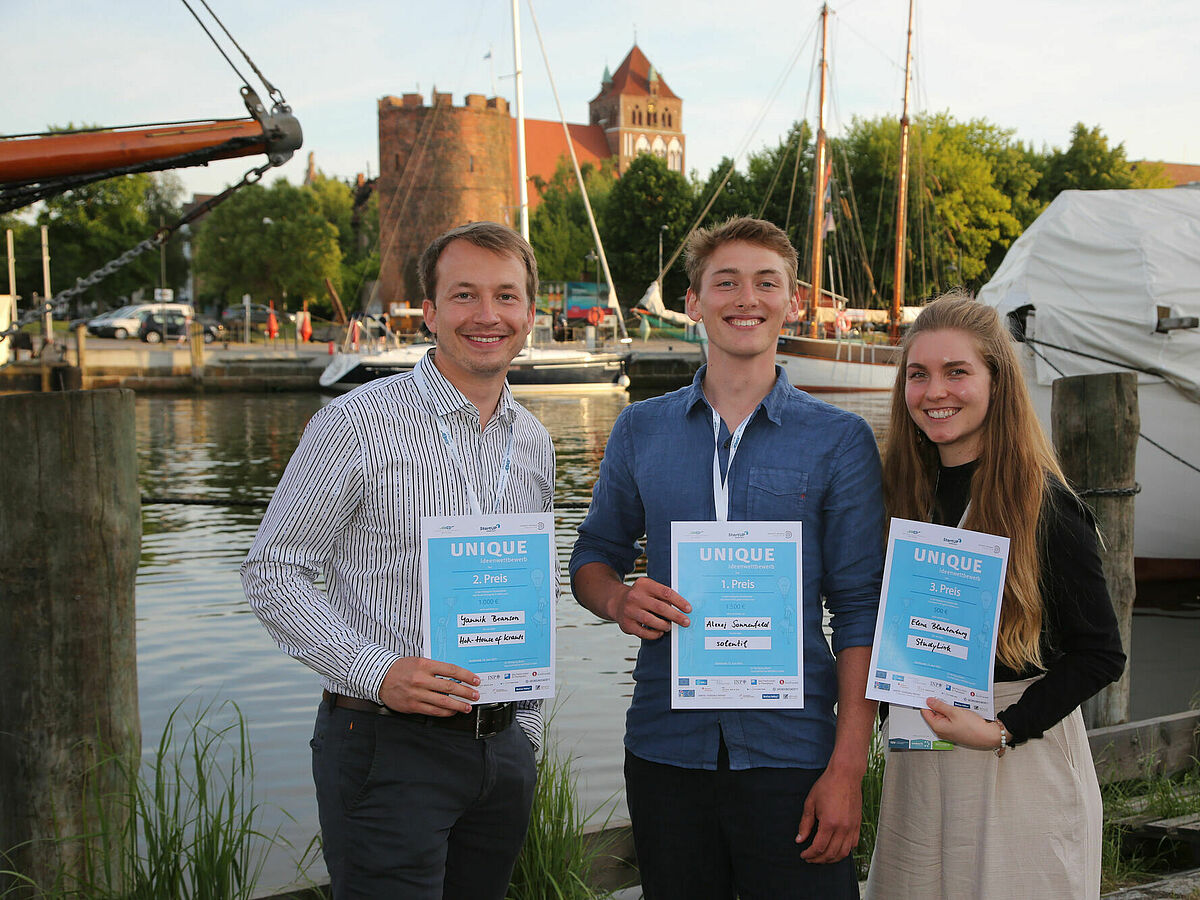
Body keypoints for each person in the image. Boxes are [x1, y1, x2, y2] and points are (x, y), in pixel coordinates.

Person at [570, 216, 884, 899]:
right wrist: (618, 599)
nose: (748, 298)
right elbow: (594, 555)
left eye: (766, 282)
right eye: (727, 282)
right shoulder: (640, 429)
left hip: (794, 749)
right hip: (665, 746)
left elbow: (859, 611)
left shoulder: (840, 440)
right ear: (693, 302)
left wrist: (847, 769)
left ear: (792, 302)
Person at [241, 221, 554, 899]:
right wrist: (378, 672)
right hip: (388, 742)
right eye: (464, 295)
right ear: (431, 312)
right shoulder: (356, 422)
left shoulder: (532, 440)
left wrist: (523, 731)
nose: (487, 315)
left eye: (506, 296)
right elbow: (273, 570)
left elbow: (526, 588)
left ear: (530, 314)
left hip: (500, 747)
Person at [864, 292, 1126, 899]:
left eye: (958, 372)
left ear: (997, 382)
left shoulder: (1046, 505)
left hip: (1014, 752)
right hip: (918, 753)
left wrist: (1005, 727)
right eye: (919, 374)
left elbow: (1100, 653)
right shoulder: (900, 497)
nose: (936, 392)